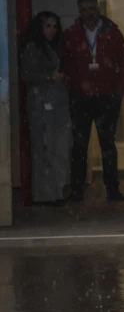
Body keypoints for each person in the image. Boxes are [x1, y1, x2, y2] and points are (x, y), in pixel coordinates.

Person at [63, 0, 124, 203]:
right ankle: (77, 190)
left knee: (107, 144)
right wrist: (73, 89)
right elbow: (65, 63)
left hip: (106, 97)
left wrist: (118, 91)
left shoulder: (112, 32)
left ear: (98, 8)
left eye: (91, 9)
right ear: (79, 11)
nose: (88, 14)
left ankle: (112, 189)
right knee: (79, 145)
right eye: (84, 10)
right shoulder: (72, 34)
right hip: (81, 98)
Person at [20, 12, 72, 205]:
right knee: (44, 148)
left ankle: (55, 191)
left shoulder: (55, 46)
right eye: (47, 26)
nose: (51, 30)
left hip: (57, 102)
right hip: (41, 103)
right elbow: (27, 75)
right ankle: (45, 194)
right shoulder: (33, 48)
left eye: (54, 26)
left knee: (58, 148)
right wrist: (50, 77)